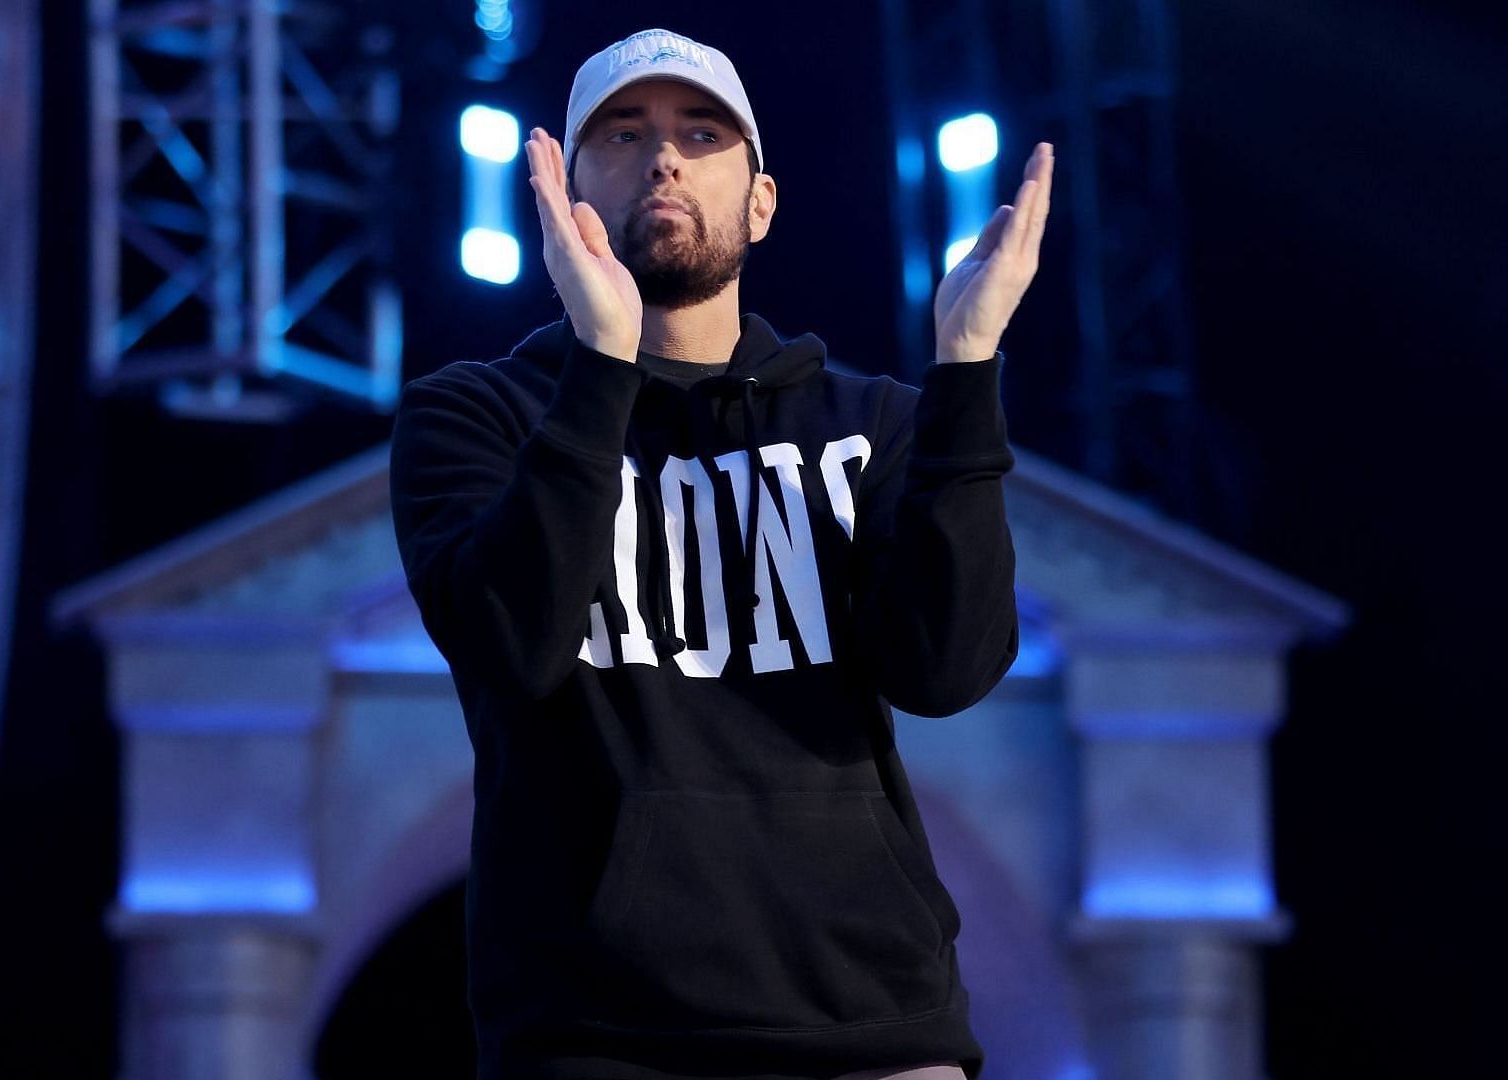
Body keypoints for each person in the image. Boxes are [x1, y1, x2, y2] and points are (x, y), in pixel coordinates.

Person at [389, 25, 1052, 1080]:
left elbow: (948, 670)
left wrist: (967, 369)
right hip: (594, 1038)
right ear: (561, 198)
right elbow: (511, 646)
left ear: (760, 201)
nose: (662, 158)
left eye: (701, 134)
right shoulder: (477, 418)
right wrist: (600, 362)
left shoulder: (873, 422)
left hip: (870, 1030)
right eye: (621, 134)